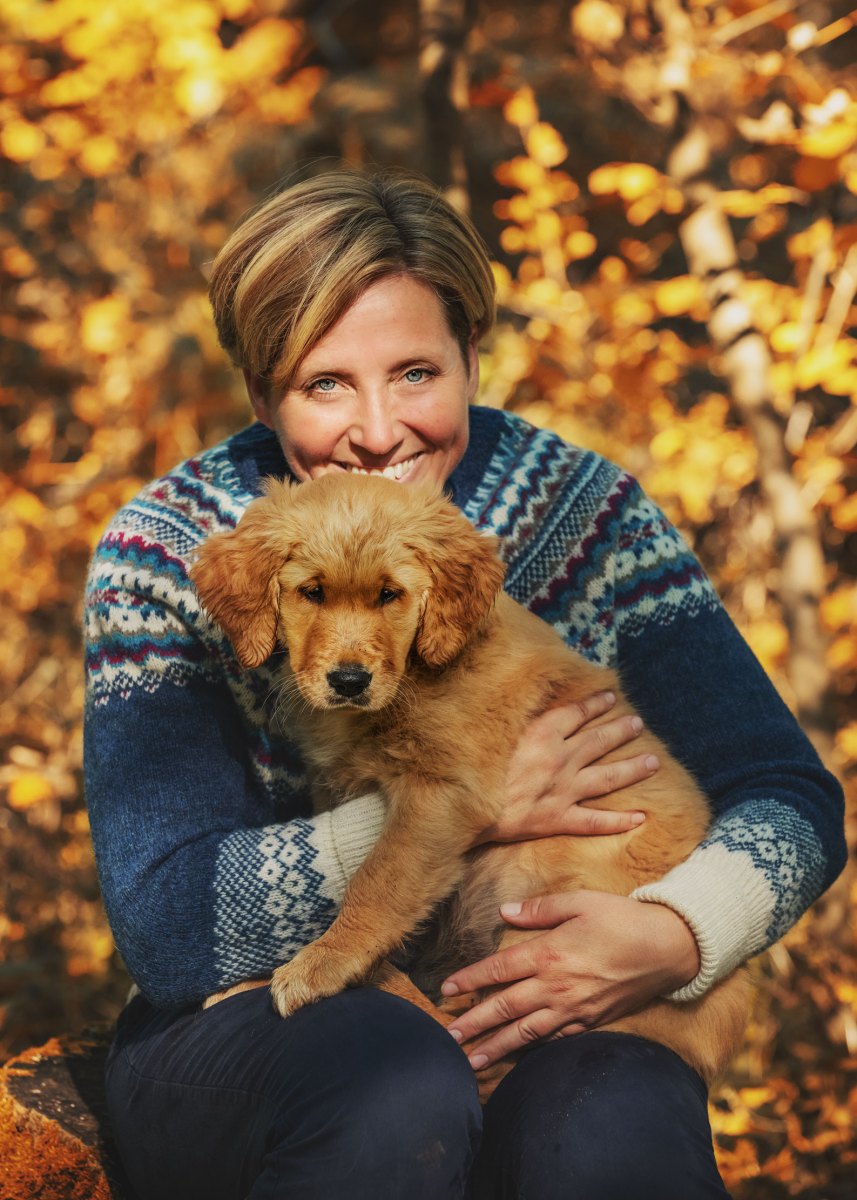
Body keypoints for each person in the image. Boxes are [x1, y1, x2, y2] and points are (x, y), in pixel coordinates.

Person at [84, 168, 845, 1200]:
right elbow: (164, 928)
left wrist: (675, 931)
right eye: (323, 384)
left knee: (612, 1114)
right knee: (393, 1088)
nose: (377, 430)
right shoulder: (167, 550)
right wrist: (460, 807)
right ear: (261, 393)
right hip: (248, 1036)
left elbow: (787, 796)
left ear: (471, 359)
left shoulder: (582, 512)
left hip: (542, 994)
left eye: (414, 373)